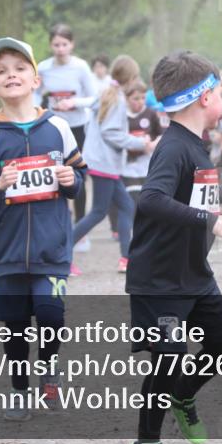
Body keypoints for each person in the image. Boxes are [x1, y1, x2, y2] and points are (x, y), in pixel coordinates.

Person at [125, 51, 222, 444]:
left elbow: (191, 191)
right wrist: (212, 221)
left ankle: (183, 396)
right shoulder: (173, 147)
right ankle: (146, 442)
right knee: (169, 358)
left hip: (193, 273)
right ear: (205, 97)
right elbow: (152, 199)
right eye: (219, 92)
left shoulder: (194, 145)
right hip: (159, 280)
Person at [0, 37, 87, 420]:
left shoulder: (59, 128)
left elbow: (79, 178)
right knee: (16, 327)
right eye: (1, 71)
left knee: (51, 316)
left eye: (19, 68)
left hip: (53, 249)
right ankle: (19, 390)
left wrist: (70, 180)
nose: (11, 75)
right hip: (9, 252)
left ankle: (49, 367)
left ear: (36, 79)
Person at [72, 56, 154, 273]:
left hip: (102, 162)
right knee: (99, 212)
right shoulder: (116, 100)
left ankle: (126, 259)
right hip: (104, 164)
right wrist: (140, 143)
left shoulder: (108, 94)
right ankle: (59, 254)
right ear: (131, 78)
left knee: (126, 206)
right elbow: (110, 132)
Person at [35, 24, 97, 243]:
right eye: (56, 45)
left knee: (77, 175)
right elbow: (35, 93)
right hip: (53, 127)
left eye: (64, 44)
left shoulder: (80, 67)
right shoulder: (43, 68)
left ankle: (80, 229)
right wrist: (36, 110)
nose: (60, 49)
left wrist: (74, 102)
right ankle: (55, 225)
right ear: (50, 45)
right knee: (52, 174)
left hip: (78, 127)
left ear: (72, 45)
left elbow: (94, 98)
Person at [116, 80, 164, 271]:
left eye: (143, 98)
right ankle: (126, 256)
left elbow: (161, 135)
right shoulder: (120, 116)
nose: (139, 102)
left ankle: (148, 251)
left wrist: (151, 144)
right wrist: (134, 143)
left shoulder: (150, 114)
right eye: (135, 98)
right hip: (127, 168)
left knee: (148, 209)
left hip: (147, 168)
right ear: (127, 99)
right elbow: (115, 139)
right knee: (133, 208)